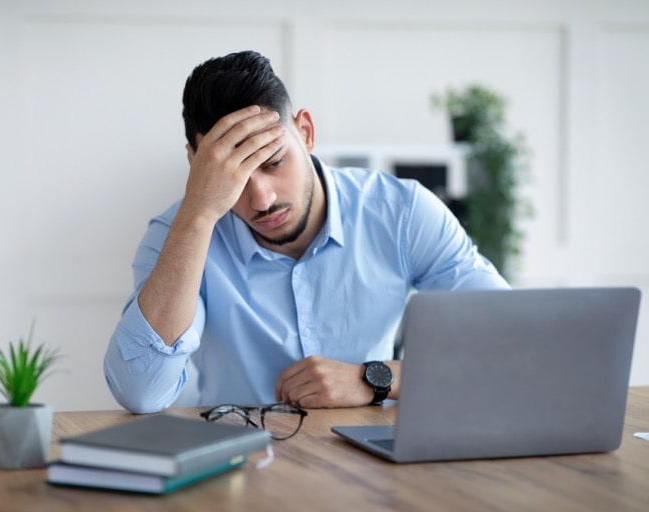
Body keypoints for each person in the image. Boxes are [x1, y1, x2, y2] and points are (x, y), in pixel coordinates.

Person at [103, 50, 509, 414]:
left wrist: (375, 379)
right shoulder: (178, 233)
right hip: (240, 468)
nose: (261, 199)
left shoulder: (401, 213)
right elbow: (141, 392)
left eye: (274, 162)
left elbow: (508, 339)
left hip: (374, 472)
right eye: (233, 176)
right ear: (197, 165)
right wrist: (197, 214)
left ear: (307, 133)